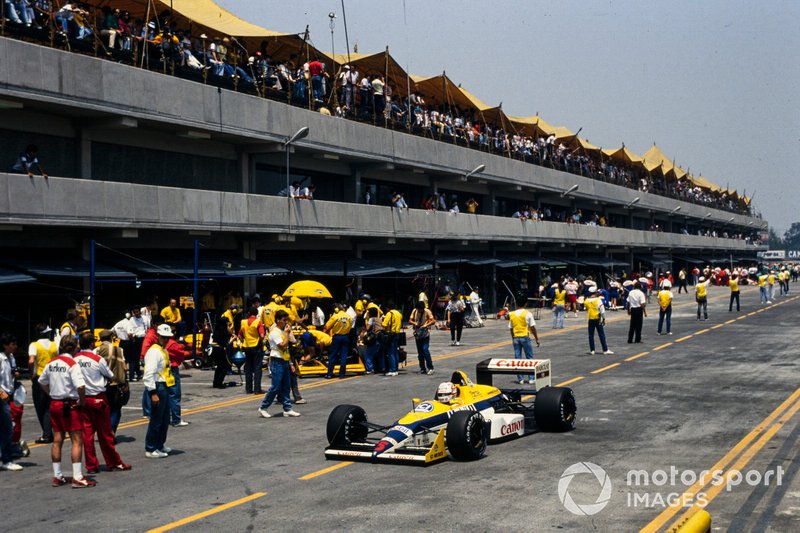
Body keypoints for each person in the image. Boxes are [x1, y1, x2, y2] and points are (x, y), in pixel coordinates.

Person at [38, 336, 95, 487]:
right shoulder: (72, 363)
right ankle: (77, 476)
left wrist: (51, 394)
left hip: (55, 403)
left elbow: (41, 381)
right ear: (75, 347)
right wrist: (82, 401)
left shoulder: (51, 363)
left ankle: (57, 476)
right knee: (77, 440)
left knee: (57, 440)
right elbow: (81, 386)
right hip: (69, 405)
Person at [74, 332, 131, 474]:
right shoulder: (97, 359)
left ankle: (91, 465)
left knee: (87, 434)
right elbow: (110, 375)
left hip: (83, 398)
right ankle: (113, 462)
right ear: (92, 343)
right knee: (105, 433)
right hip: (98, 397)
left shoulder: (75, 359)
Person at [258, 310, 300, 418]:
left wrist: (290, 363)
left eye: (286, 319)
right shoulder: (274, 333)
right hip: (277, 362)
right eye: (284, 320)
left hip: (284, 360)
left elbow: (287, 349)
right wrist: (287, 333)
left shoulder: (282, 331)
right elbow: (282, 345)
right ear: (278, 320)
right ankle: (263, 407)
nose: (286, 322)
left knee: (286, 386)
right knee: (275, 387)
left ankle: (287, 408)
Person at [142, 324, 176, 458]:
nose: (166, 340)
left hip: (165, 386)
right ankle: (150, 448)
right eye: (163, 338)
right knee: (156, 419)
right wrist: (152, 392)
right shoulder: (154, 352)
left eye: (168, 338)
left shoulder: (163, 350)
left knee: (165, 418)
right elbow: (149, 373)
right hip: (158, 386)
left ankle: (160, 444)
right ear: (158, 336)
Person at [28, 324, 57, 444]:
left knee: (40, 407)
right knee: (49, 406)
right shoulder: (54, 345)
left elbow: (31, 360)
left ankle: (46, 435)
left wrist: (31, 373)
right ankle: (49, 433)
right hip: (52, 377)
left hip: (40, 378)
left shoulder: (34, 345)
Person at [94, 330, 127, 434]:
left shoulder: (96, 350)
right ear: (111, 337)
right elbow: (125, 367)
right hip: (116, 384)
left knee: (103, 409)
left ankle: (104, 431)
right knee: (115, 409)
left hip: (101, 384)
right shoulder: (119, 350)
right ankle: (112, 431)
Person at [0, 332, 23, 471]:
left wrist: (15, 374)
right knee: (8, 428)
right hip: (1, 396)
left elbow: (11, 373)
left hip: (8, 395)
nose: (15, 346)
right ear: (5, 345)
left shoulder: (11, 357)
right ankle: (7, 459)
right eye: (12, 344)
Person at [508, 301, 541, 384]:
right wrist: (537, 338)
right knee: (529, 358)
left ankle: (520, 379)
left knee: (517, 358)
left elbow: (511, 328)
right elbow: (532, 327)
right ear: (525, 304)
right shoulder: (528, 314)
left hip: (516, 337)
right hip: (525, 337)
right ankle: (531, 378)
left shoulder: (512, 314)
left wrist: (513, 339)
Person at [164, 326, 190, 427]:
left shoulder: (160, 343)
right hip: (172, 370)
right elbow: (181, 355)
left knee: (166, 395)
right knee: (174, 394)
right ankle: (176, 419)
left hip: (164, 370)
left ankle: (167, 417)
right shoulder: (173, 344)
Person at [239, 306, 266, 394]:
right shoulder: (258, 322)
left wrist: (244, 341)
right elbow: (262, 335)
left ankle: (248, 389)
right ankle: (257, 389)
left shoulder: (243, 322)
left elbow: (240, 335)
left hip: (247, 347)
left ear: (249, 313)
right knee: (257, 368)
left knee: (248, 368)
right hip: (256, 346)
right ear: (257, 314)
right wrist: (262, 343)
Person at [324, 304, 352, 379]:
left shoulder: (335, 316)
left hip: (337, 337)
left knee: (333, 355)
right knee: (343, 356)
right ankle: (342, 374)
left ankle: (329, 374)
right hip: (345, 337)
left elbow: (326, 327)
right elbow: (350, 327)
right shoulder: (349, 317)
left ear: (337, 309)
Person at [409, 301, 435, 375]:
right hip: (417, 333)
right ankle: (422, 368)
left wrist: (426, 325)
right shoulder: (414, 311)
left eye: (421, 309)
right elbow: (410, 320)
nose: (420, 311)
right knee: (420, 352)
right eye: (419, 309)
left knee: (425, 350)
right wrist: (415, 323)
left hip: (425, 333)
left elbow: (433, 320)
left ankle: (430, 367)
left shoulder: (427, 311)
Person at [585, 287, 612, 355]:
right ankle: (605, 350)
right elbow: (602, 311)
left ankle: (592, 350)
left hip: (590, 318)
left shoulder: (586, 300)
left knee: (591, 335)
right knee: (601, 334)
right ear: (595, 292)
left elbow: (587, 309)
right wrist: (604, 318)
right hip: (597, 318)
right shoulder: (598, 300)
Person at [381, 302, 403, 376]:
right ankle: (396, 369)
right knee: (395, 352)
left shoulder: (389, 314)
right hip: (397, 334)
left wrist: (382, 320)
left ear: (388, 308)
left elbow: (384, 325)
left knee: (390, 353)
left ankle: (392, 369)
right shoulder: (399, 314)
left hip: (390, 334)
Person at [360, 307, 384, 374]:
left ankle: (370, 369)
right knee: (380, 354)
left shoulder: (371, 319)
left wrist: (362, 333)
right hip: (381, 338)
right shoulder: (379, 319)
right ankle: (382, 368)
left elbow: (367, 328)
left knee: (368, 354)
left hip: (374, 338)